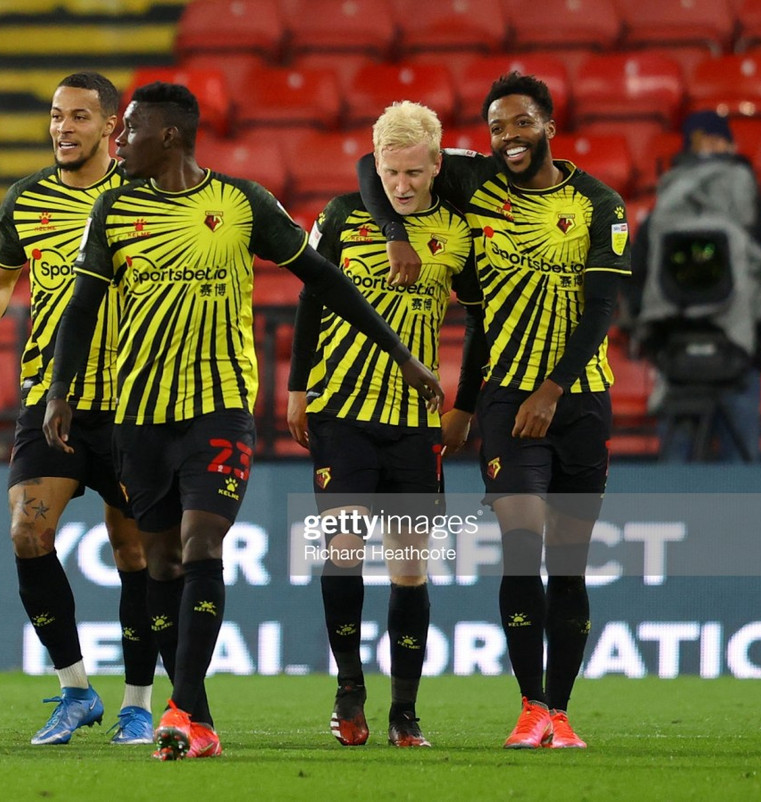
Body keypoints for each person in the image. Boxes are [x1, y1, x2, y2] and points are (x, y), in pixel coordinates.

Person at [44, 82, 444, 760]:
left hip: (219, 412)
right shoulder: (113, 208)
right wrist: (61, 390)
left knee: (202, 549)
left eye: (130, 131)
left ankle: (177, 709)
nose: (119, 144)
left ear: (168, 136)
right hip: (139, 419)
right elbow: (82, 306)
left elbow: (325, 279)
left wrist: (401, 354)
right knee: (163, 566)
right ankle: (196, 715)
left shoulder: (242, 203)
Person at [359, 72, 631, 749]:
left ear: (549, 127)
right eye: (498, 128)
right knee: (519, 544)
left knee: (568, 560)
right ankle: (531, 705)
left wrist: (556, 389)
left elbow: (601, 307)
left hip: (579, 400)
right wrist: (395, 233)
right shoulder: (475, 183)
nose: (508, 138)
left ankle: (561, 714)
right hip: (508, 401)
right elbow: (372, 164)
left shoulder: (600, 203)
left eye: (521, 124)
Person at [0, 73, 158, 746]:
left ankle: (137, 702)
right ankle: (76, 691)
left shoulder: (142, 199)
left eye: (77, 117)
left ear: (109, 129)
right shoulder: (27, 199)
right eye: (55, 116)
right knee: (26, 533)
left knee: (134, 551)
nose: (62, 128)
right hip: (52, 403)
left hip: (132, 406)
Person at [287, 101, 486, 748]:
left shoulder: (458, 232)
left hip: (412, 423)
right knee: (343, 554)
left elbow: (480, 322)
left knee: (409, 568)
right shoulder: (342, 217)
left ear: (436, 166)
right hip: (340, 411)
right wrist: (295, 388)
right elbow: (311, 301)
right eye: (389, 171)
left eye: (413, 172)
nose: (401, 184)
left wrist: (465, 404)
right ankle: (349, 690)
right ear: (376, 165)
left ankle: (405, 712)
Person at [627, 110, 761, 462]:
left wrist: (657, 338)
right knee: (740, 476)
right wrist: (757, 329)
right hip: (735, 357)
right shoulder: (759, 210)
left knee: (675, 481)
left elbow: (635, 284)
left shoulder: (660, 216)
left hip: (681, 360)